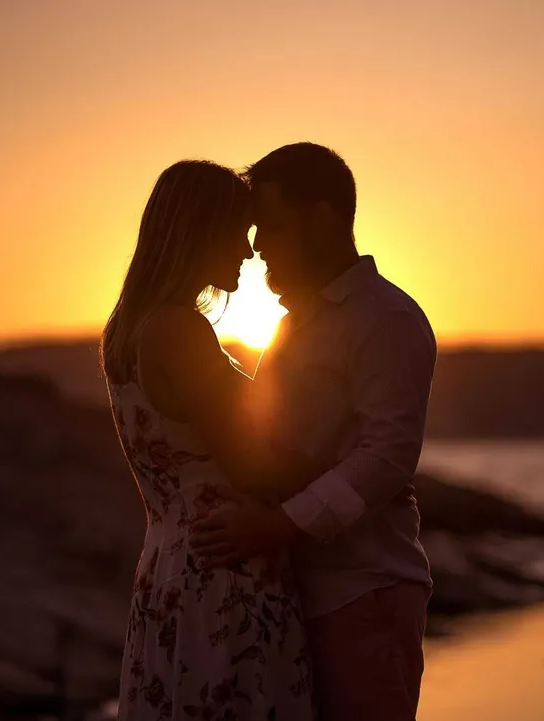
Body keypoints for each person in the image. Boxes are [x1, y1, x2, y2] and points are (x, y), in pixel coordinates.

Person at [190, 143, 438, 721]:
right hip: (298, 590)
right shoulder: (291, 325)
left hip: (363, 591)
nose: (256, 248)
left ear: (322, 218)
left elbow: (386, 458)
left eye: (270, 226)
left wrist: (274, 527)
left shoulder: (387, 320)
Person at [101, 160, 324, 721]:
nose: (249, 252)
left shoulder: (128, 328)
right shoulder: (178, 332)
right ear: (198, 231)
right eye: (237, 233)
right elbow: (254, 465)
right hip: (223, 576)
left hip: (168, 567)